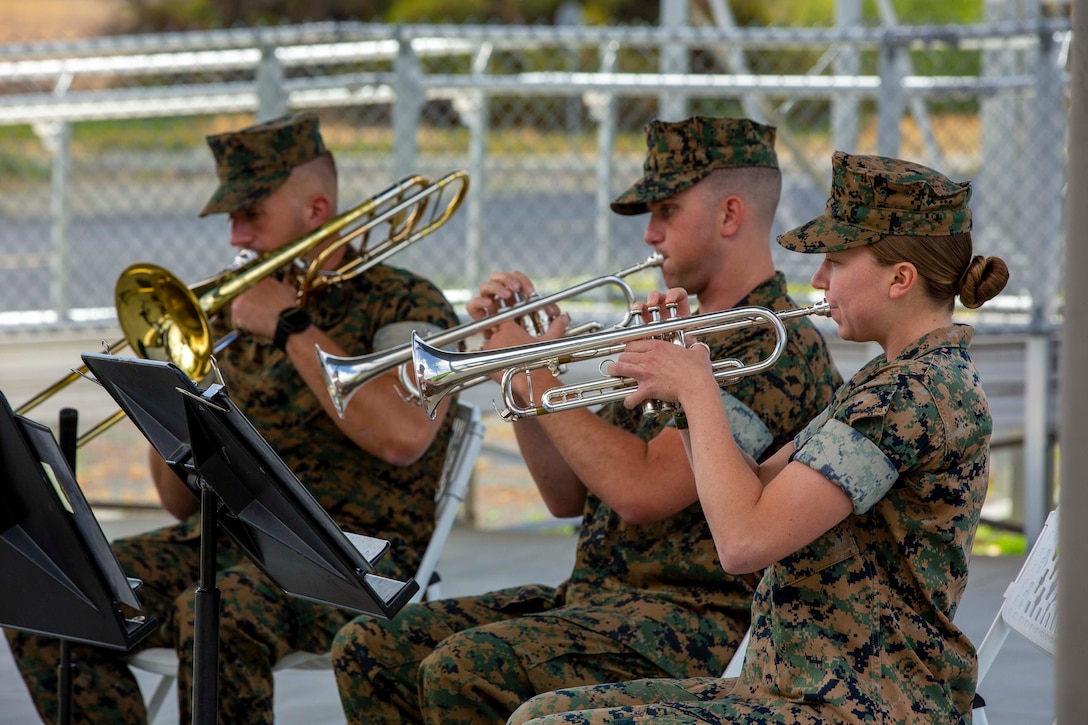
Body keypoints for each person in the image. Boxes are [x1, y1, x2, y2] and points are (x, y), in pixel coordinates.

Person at [331, 116, 844, 724]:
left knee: (464, 668)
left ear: (730, 215)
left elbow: (642, 491)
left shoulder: (765, 343)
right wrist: (519, 369)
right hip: (600, 604)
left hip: (696, 622)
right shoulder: (673, 327)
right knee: (371, 648)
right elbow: (564, 494)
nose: (650, 234)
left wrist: (530, 370)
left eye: (667, 212)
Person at [509, 151, 1011, 725]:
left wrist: (698, 393)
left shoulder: (912, 396)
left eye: (836, 262)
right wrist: (686, 388)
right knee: (538, 716)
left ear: (901, 278)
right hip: (801, 686)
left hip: (862, 702)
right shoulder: (890, 379)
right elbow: (754, 488)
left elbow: (743, 543)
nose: (819, 281)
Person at [5, 112, 461, 724]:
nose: (235, 238)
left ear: (315, 210)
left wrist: (292, 327)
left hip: (357, 555)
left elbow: (404, 437)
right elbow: (176, 502)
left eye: (251, 215)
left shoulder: (407, 302)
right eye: (231, 218)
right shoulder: (229, 319)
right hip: (224, 543)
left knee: (215, 612)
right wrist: (169, 387)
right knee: (57, 587)